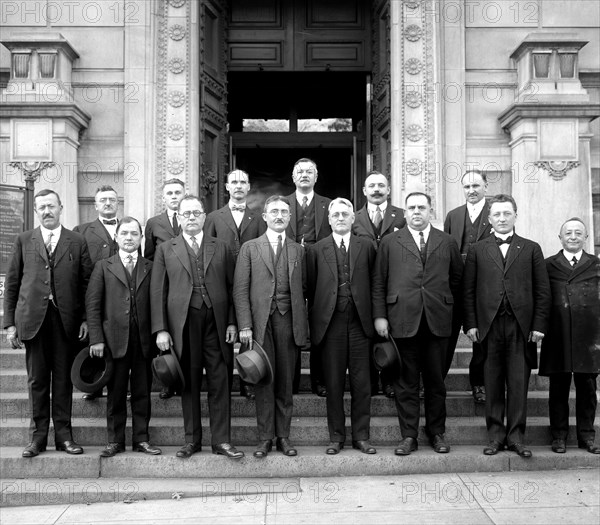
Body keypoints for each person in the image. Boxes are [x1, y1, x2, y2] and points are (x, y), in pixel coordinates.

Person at [150, 195, 243, 460]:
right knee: (188, 383)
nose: (191, 217)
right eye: (186, 213)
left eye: (196, 213)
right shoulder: (166, 249)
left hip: (217, 321)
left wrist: (233, 321)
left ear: (204, 217)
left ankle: (222, 441)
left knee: (220, 380)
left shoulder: (222, 247)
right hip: (182, 324)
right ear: (178, 218)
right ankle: (191, 440)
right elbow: (158, 291)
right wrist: (161, 329)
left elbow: (233, 287)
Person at [372, 192, 463, 455]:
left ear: (430, 210)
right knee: (405, 382)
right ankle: (408, 436)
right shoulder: (390, 242)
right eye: (411, 207)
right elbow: (379, 281)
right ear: (404, 213)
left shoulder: (446, 242)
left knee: (436, 382)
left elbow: (457, 279)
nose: (416, 212)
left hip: (437, 321)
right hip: (402, 319)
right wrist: (380, 316)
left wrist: (448, 308)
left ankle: (436, 432)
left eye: (421, 207)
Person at [4, 189, 92, 458]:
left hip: (66, 321)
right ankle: (37, 438)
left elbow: (87, 284)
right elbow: (12, 284)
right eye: (41, 207)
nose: (46, 211)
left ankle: (65, 437)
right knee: (37, 381)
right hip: (33, 321)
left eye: (51, 206)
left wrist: (87, 319)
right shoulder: (24, 240)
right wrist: (10, 324)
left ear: (61, 207)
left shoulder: (76, 241)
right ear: (36, 210)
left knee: (64, 382)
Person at [463, 194, 551, 458]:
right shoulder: (478, 249)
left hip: (520, 327)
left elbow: (542, 290)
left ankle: (516, 437)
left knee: (518, 382)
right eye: (497, 214)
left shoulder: (531, 248)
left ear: (515, 215)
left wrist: (538, 325)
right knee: (491, 383)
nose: (502, 219)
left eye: (507, 214)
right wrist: (470, 324)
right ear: (489, 219)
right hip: (488, 327)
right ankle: (495, 436)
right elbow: (468, 290)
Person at [234, 195, 309, 458]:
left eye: (284, 212)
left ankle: (284, 437)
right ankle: (265, 437)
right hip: (260, 323)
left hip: (288, 321)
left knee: (286, 382)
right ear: (265, 216)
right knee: (264, 381)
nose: (279, 216)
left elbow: (306, 290)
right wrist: (245, 325)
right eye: (274, 211)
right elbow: (240, 290)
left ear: (290, 218)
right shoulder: (250, 248)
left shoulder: (299, 250)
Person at [86, 216, 162, 458]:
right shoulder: (103, 266)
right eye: (125, 234)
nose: (129, 238)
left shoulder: (151, 267)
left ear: (141, 238)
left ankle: (142, 439)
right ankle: (115, 440)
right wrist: (96, 338)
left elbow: (159, 303)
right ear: (117, 238)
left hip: (143, 341)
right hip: (113, 341)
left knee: (142, 392)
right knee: (115, 393)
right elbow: (93, 304)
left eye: (134, 234)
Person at [307, 198, 377, 455]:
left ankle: (361, 436)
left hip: (360, 323)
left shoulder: (367, 246)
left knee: (362, 383)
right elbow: (311, 288)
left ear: (353, 218)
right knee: (334, 383)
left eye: (345, 214)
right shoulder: (316, 250)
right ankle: (336, 436)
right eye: (335, 214)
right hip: (330, 324)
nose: (340, 218)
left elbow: (375, 282)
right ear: (328, 219)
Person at [539, 218, 600, 455]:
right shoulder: (548, 265)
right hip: (558, 333)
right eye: (568, 233)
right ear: (560, 237)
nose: (573, 237)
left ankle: (587, 436)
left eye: (578, 233)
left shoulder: (596, 265)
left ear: (586, 238)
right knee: (558, 388)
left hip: (589, 336)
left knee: (587, 387)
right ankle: (559, 436)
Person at [204, 169, 266, 400]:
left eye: (243, 182)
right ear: (227, 187)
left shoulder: (258, 218)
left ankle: (247, 381)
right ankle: (224, 381)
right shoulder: (212, 217)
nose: (239, 186)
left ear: (249, 187)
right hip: (220, 281)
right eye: (234, 182)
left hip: (250, 283)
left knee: (248, 331)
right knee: (223, 333)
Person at [352, 171, 406, 398]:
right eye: (371, 185)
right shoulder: (353, 217)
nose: (376, 189)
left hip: (394, 285)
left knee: (390, 336)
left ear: (389, 190)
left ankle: (390, 381)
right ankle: (370, 382)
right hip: (362, 288)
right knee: (366, 336)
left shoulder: (402, 216)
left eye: (381, 185)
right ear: (364, 191)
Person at [444, 170, 493, 403]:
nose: (471, 190)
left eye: (476, 185)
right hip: (455, 285)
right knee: (446, 335)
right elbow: (444, 250)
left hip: (483, 283)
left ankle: (479, 383)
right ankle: (436, 381)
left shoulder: (496, 212)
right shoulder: (453, 215)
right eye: (467, 187)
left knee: (481, 338)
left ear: (485, 186)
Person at [285, 158, 331, 397]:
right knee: (290, 323)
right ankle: (290, 380)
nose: (304, 175)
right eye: (299, 171)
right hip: (288, 270)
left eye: (309, 172)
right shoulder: (281, 204)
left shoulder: (329, 204)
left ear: (316, 177)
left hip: (321, 270)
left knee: (320, 323)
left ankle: (319, 379)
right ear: (293, 177)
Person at [74, 185, 120, 401]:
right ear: (95, 205)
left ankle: (121, 386)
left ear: (118, 202)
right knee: (95, 340)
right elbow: (77, 274)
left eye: (111, 199)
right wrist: (83, 314)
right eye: (103, 200)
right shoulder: (81, 231)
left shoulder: (129, 227)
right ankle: (94, 384)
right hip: (93, 297)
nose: (108, 203)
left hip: (121, 297)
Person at [143, 177, 185, 399]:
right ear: (163, 197)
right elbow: (148, 257)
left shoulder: (193, 217)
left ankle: (184, 375)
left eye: (178, 192)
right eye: (169, 193)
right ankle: (167, 382)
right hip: (164, 283)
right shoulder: (154, 222)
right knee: (164, 330)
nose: (174, 197)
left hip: (187, 283)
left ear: (184, 194)